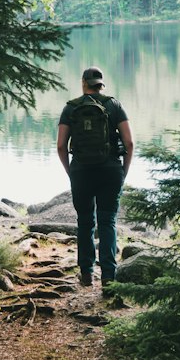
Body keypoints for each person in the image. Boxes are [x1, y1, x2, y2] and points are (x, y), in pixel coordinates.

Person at [56, 67, 134, 288]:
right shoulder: (114, 105)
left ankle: (87, 273)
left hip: (81, 171)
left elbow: (61, 145)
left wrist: (70, 172)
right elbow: (129, 143)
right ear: (101, 84)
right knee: (107, 222)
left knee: (85, 222)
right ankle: (109, 276)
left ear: (84, 83)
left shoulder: (70, 108)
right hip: (110, 171)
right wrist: (123, 171)